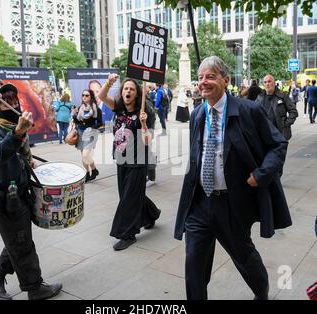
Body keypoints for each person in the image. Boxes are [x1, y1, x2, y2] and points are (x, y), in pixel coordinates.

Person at [174, 56, 292, 300]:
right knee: (193, 265)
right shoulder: (197, 115)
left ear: (226, 81)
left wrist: (261, 175)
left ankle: (262, 293)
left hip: (232, 205)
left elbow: (278, 145)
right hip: (199, 203)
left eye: (210, 76)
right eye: (200, 77)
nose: (203, 82)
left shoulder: (249, 111)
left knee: (245, 259)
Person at [0, 83, 62, 300]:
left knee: (19, 239)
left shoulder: (10, 126)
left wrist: (28, 159)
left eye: (14, 96)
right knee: (22, 243)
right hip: (4, 197)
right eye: (5, 98)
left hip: (18, 193)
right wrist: (18, 132)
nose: (12, 100)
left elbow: (15, 155)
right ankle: (34, 288)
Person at [98, 74, 161, 251]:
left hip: (138, 161)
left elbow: (148, 140)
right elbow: (102, 97)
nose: (128, 91)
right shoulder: (118, 108)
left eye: (132, 89)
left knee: (128, 199)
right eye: (126, 88)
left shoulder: (145, 112)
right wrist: (109, 82)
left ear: (136, 93)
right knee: (129, 194)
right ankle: (151, 214)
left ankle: (127, 234)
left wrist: (143, 124)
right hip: (121, 159)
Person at [256, 74, 298, 141]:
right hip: (265, 134)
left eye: (269, 81)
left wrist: (286, 124)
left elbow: (293, 111)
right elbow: (255, 113)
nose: (267, 84)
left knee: (280, 151)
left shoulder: (283, 96)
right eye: (265, 82)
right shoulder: (260, 97)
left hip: (280, 134)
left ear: (274, 83)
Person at [72, 89, 102, 182]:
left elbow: (100, 122)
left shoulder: (95, 108)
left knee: (85, 155)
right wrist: (74, 115)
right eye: (83, 95)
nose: (84, 97)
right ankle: (86, 174)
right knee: (83, 155)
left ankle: (94, 170)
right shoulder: (80, 107)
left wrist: (91, 128)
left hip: (90, 133)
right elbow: (77, 121)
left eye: (87, 95)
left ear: (91, 97)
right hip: (81, 132)